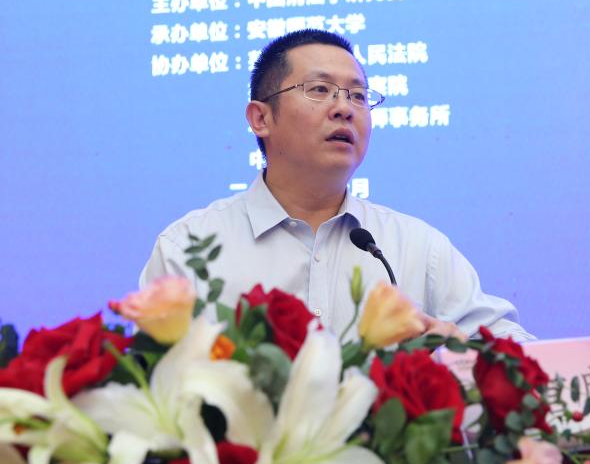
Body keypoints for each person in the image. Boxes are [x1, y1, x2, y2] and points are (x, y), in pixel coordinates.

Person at [140, 29, 531, 341]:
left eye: (358, 95)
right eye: (319, 90)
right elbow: (148, 381)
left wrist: (467, 353)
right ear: (261, 118)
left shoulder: (415, 248)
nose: (344, 108)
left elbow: (522, 356)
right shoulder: (188, 247)